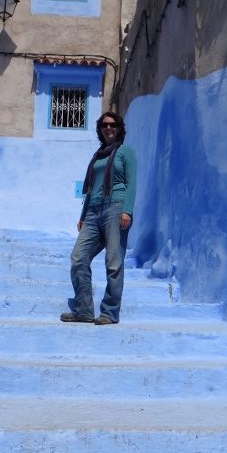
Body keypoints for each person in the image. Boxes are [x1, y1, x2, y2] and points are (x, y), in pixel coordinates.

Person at [61, 111, 137, 325]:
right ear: (100, 130)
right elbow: (92, 188)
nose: (108, 128)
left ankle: (110, 312)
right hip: (93, 211)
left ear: (119, 128)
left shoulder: (126, 152)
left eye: (113, 124)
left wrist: (127, 211)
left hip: (116, 208)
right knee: (78, 258)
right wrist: (83, 216)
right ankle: (84, 310)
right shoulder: (98, 156)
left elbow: (132, 183)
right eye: (104, 125)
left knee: (113, 262)